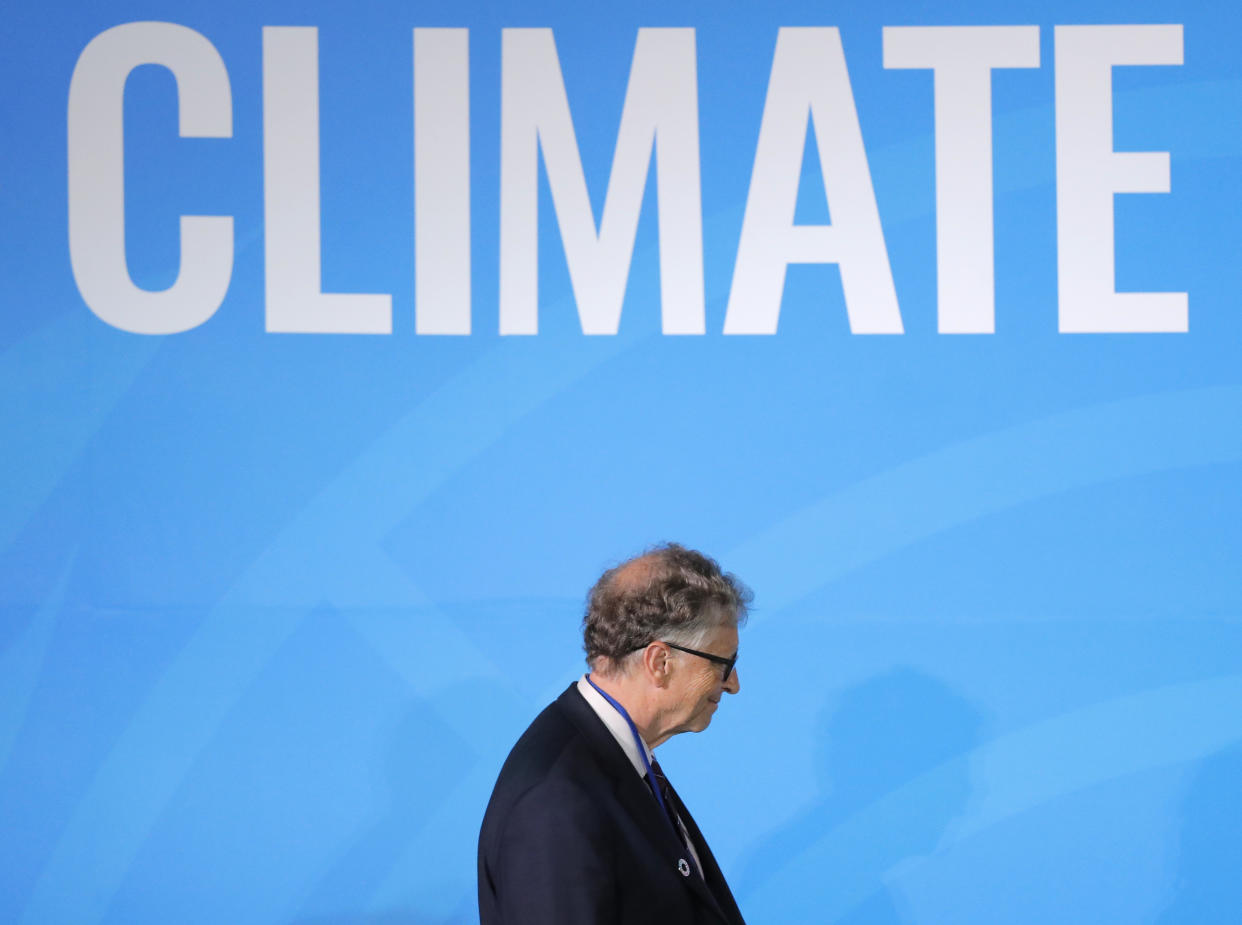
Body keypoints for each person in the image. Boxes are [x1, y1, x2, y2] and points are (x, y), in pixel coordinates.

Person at [477, 543, 751, 925]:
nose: (733, 684)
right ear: (660, 662)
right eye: (724, 663)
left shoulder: (614, 760)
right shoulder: (557, 801)